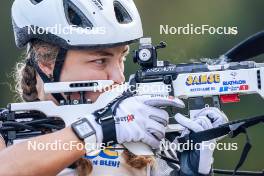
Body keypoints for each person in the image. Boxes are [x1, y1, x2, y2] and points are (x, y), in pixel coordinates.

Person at [0, 0, 228, 175]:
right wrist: (99, 127)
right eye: (100, 61)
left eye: (122, 59)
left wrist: (190, 171)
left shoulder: (137, 141)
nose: (119, 77)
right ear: (47, 63)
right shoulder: (6, 132)